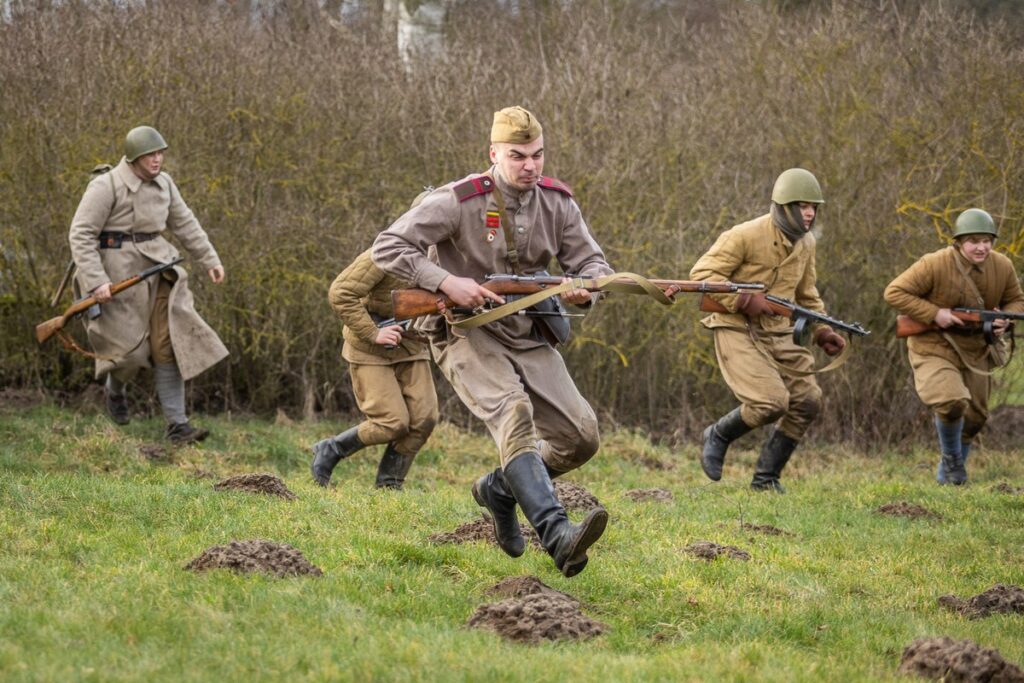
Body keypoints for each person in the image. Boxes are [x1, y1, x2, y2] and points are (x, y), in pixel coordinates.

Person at [371, 106, 610, 577]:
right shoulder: (457, 201)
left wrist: (588, 285)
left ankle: (500, 489)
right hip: (465, 331)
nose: (531, 166)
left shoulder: (558, 203)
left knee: (580, 437)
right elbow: (388, 246)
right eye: (518, 156)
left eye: (538, 155)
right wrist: (444, 281)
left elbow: (592, 263)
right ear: (494, 154)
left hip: (529, 331)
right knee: (513, 413)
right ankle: (557, 533)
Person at [689, 168, 846, 493]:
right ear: (783, 206)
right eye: (802, 205)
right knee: (771, 401)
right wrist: (744, 299)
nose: (809, 213)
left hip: (778, 331)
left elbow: (806, 295)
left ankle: (766, 479)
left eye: (814, 207)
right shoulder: (745, 235)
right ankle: (718, 434)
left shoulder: (806, 244)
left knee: (807, 400)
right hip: (735, 326)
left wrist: (822, 332)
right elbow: (701, 274)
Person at [68, 125, 228, 444]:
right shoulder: (106, 185)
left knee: (168, 344)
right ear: (133, 158)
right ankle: (115, 391)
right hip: (115, 276)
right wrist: (96, 280)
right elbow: (81, 234)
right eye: (149, 155)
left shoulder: (165, 184)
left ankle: (178, 426)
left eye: (159, 153)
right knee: (127, 352)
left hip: (158, 271)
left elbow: (185, 223)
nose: (157, 160)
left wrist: (210, 259)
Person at [884, 208, 1024, 485]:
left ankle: (948, 479)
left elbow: (1016, 301)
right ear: (959, 242)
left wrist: (1005, 320)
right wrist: (935, 314)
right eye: (974, 241)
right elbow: (894, 292)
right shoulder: (934, 263)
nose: (981, 247)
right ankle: (953, 465)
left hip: (977, 349)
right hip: (934, 345)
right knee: (951, 400)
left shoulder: (1002, 266)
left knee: (976, 416)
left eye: (987, 241)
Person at [310, 247, 438, 490]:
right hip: (369, 347)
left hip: (410, 344)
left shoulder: (445, 254)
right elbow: (341, 292)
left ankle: (389, 485)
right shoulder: (386, 252)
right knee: (391, 423)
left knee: (424, 419)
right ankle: (332, 449)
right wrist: (373, 332)